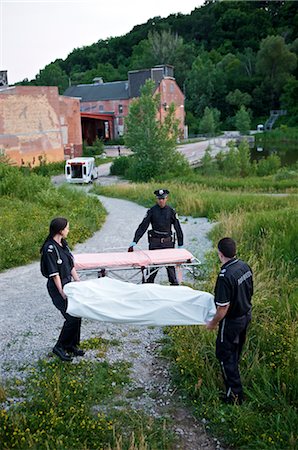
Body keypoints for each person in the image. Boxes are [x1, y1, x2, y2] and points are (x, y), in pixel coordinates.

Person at [206, 237, 253, 405]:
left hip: (231, 321)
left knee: (224, 355)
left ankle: (234, 396)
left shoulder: (225, 276)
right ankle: (234, 379)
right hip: (246, 315)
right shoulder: (244, 266)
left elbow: (223, 308)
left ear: (220, 254)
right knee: (236, 351)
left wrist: (212, 323)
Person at [40, 217, 84, 362]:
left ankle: (71, 345)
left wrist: (78, 281)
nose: (68, 230)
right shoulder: (50, 248)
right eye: (67, 228)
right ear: (60, 230)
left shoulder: (63, 244)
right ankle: (59, 347)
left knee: (77, 314)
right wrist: (61, 291)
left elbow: (70, 265)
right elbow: (54, 274)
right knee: (71, 317)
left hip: (68, 284)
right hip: (57, 287)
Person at [128, 189, 183, 285]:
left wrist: (180, 244)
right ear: (156, 199)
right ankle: (147, 288)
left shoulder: (171, 211)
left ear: (166, 199)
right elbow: (143, 226)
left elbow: (178, 228)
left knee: (171, 270)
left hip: (168, 243)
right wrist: (135, 241)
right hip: (155, 243)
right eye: (159, 199)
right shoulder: (152, 211)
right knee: (152, 270)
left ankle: (175, 289)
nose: (161, 201)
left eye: (163, 198)